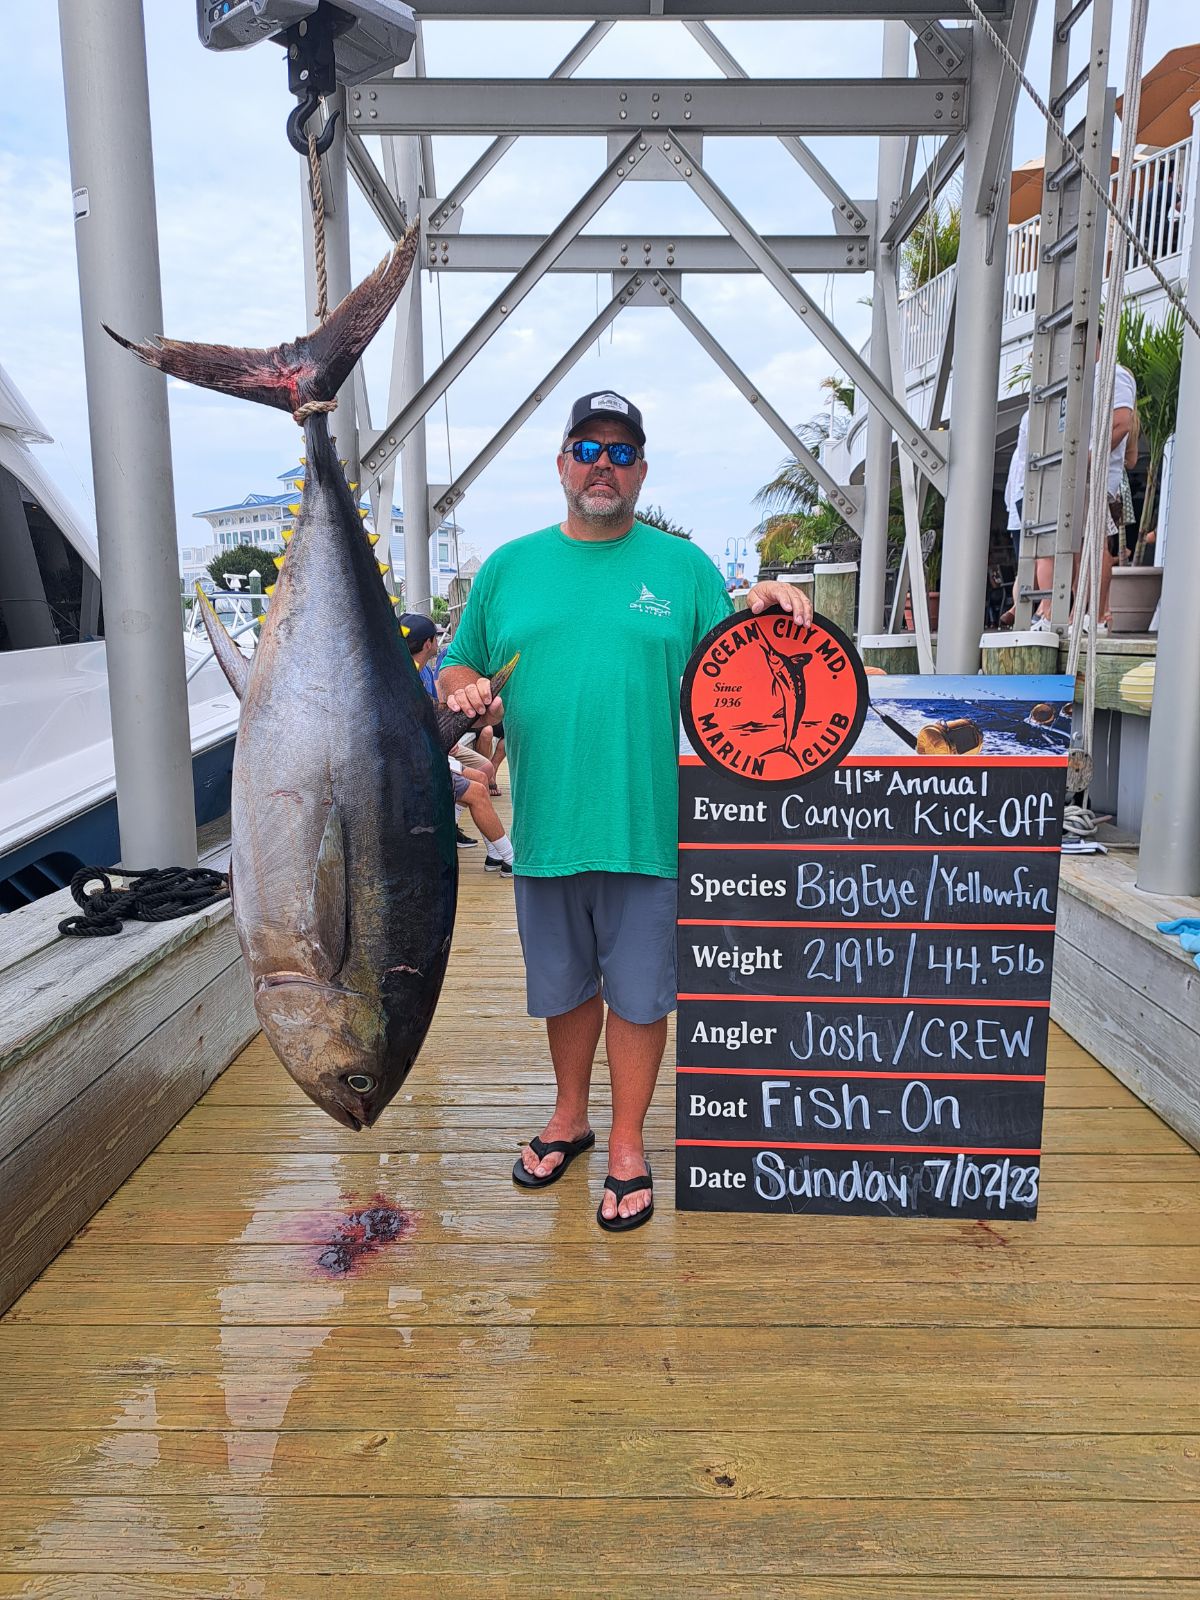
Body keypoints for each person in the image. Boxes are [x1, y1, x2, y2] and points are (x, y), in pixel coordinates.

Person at [437, 391, 811, 1230]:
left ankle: (631, 1144)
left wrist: (769, 601)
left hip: (654, 828)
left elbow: (742, 665)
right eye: (587, 448)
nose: (602, 465)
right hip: (546, 828)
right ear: (562, 462)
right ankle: (570, 1119)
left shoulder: (682, 568)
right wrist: (455, 680)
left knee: (641, 996)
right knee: (564, 989)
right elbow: (459, 662)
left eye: (620, 452)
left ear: (640, 469)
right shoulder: (506, 567)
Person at [400, 610, 514, 868]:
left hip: (433, 752)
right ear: (428, 643)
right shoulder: (409, 677)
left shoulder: (421, 673)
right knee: (475, 791)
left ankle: (470, 841)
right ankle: (509, 859)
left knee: (483, 775)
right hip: (416, 763)